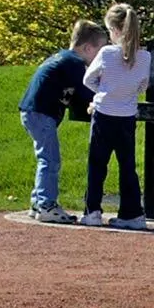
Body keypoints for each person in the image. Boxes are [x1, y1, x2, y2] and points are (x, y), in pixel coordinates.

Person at [18, 20, 107, 223]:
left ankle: (38, 200)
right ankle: (47, 205)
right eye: (99, 51)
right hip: (41, 112)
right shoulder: (75, 63)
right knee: (50, 159)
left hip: (33, 111)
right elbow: (87, 91)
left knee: (46, 157)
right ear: (87, 48)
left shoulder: (62, 58)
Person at [81, 3, 154, 228]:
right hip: (127, 116)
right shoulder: (144, 57)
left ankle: (92, 211)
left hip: (104, 114)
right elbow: (143, 86)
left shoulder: (107, 53)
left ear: (114, 29)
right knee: (127, 166)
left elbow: (88, 79)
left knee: (97, 164)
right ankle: (132, 214)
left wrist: (103, 92)